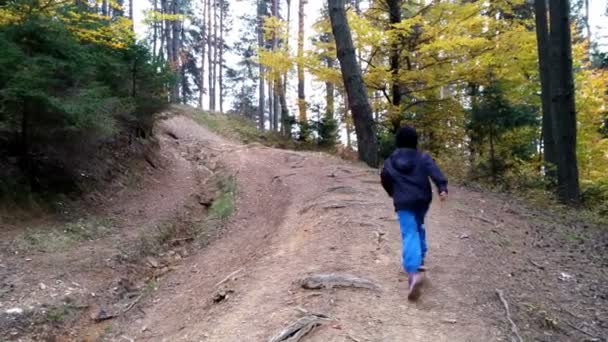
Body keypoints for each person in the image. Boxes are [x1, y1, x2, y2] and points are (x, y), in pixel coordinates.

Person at [380, 125, 448, 301]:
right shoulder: (422, 157)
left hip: (403, 201)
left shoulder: (390, 161)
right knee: (418, 226)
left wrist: (392, 192)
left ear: (398, 141)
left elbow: (385, 178)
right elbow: (434, 171)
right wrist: (442, 187)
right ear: (415, 140)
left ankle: (414, 270)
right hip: (422, 199)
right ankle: (421, 256)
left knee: (410, 232)